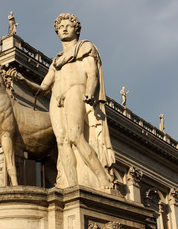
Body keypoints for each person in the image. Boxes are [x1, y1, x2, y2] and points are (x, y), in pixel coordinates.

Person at [8, 13, 114, 189]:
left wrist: (89, 91)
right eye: (60, 26)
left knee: (75, 136)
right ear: (57, 31)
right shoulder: (56, 61)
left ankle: (102, 178)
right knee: (63, 142)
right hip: (56, 99)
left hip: (76, 91)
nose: (64, 28)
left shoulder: (84, 48)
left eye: (68, 25)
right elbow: (43, 88)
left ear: (76, 29)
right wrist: (22, 80)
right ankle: (70, 186)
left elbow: (93, 74)